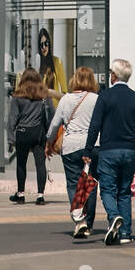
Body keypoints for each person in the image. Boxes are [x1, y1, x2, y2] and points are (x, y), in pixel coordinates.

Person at [82, 59, 135, 246]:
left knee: (107, 189)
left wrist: (88, 150)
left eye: (111, 72)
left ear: (114, 75)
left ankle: (113, 217)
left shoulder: (105, 96)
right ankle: (126, 233)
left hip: (109, 149)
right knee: (125, 191)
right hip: (129, 151)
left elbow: (94, 125)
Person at [47, 67, 101, 238]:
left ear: (74, 80)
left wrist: (49, 142)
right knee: (89, 183)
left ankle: (80, 221)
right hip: (92, 146)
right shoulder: (96, 99)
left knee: (73, 184)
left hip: (70, 147)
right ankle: (89, 224)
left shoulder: (65, 99)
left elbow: (55, 124)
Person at [7, 68, 49, 205]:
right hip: (38, 133)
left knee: (21, 164)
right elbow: (50, 116)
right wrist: (50, 136)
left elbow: (12, 119)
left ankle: (20, 194)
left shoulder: (17, 97)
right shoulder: (43, 96)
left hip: (23, 133)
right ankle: (40, 195)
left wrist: (11, 138)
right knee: (40, 164)